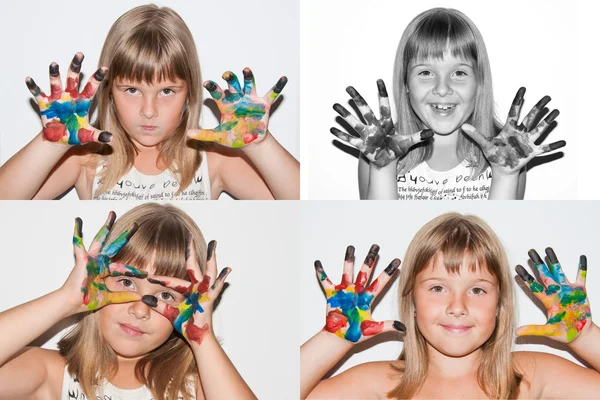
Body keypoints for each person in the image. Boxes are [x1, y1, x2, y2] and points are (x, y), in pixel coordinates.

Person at [0, 4, 299, 200]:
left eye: (167, 91)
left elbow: (296, 202)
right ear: (108, 93)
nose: (149, 110)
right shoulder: (87, 160)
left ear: (190, 94)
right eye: (131, 90)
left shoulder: (212, 162)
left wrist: (260, 145)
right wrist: (50, 143)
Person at [301, 213, 600, 399]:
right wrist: (333, 338)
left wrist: (587, 337)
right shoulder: (379, 383)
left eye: (478, 290)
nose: (458, 306)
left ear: (499, 305)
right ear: (412, 301)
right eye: (438, 287)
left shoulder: (530, 376)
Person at [0, 204, 257, 399]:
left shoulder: (195, 389)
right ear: (97, 282)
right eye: (126, 282)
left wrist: (203, 339)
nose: (139, 309)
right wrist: (66, 299)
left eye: (165, 295)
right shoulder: (54, 375)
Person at [330, 8, 564, 200]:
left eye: (459, 73)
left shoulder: (509, 153)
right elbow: (379, 235)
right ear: (405, 83)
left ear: (479, 82)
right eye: (425, 72)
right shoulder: (376, 151)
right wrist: (383, 169)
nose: (442, 88)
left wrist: (505, 176)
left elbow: (495, 243)